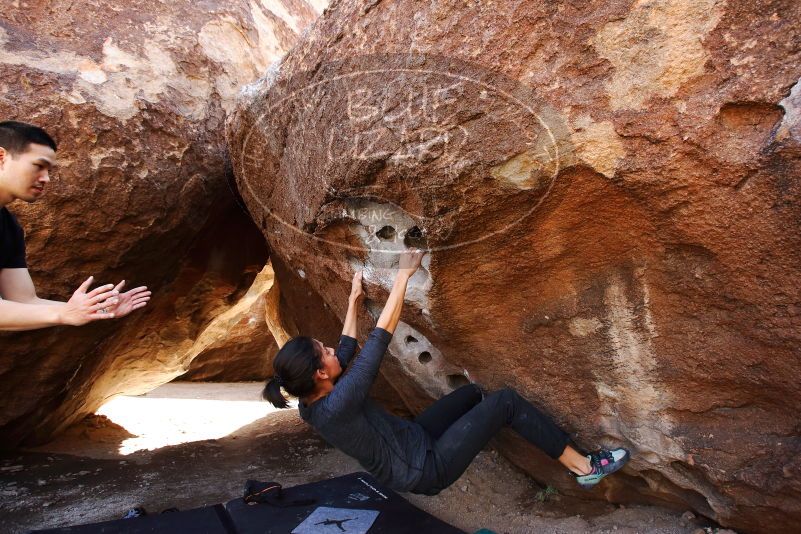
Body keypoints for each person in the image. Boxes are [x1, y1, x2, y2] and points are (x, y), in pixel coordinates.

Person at [263, 249, 630, 495]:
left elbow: (344, 349)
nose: (331, 350)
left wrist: (353, 301)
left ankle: (498, 429)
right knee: (503, 402)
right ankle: (583, 466)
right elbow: (378, 341)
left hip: (414, 438)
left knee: (473, 394)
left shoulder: (312, 401)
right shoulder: (338, 404)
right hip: (425, 469)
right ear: (319, 375)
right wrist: (404, 277)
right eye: (322, 353)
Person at [0, 121, 151, 331]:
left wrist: (94, 309)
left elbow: (24, 301)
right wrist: (63, 314)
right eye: (38, 166)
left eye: (49, 170)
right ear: (1, 157)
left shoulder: (9, 227)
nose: (46, 178)